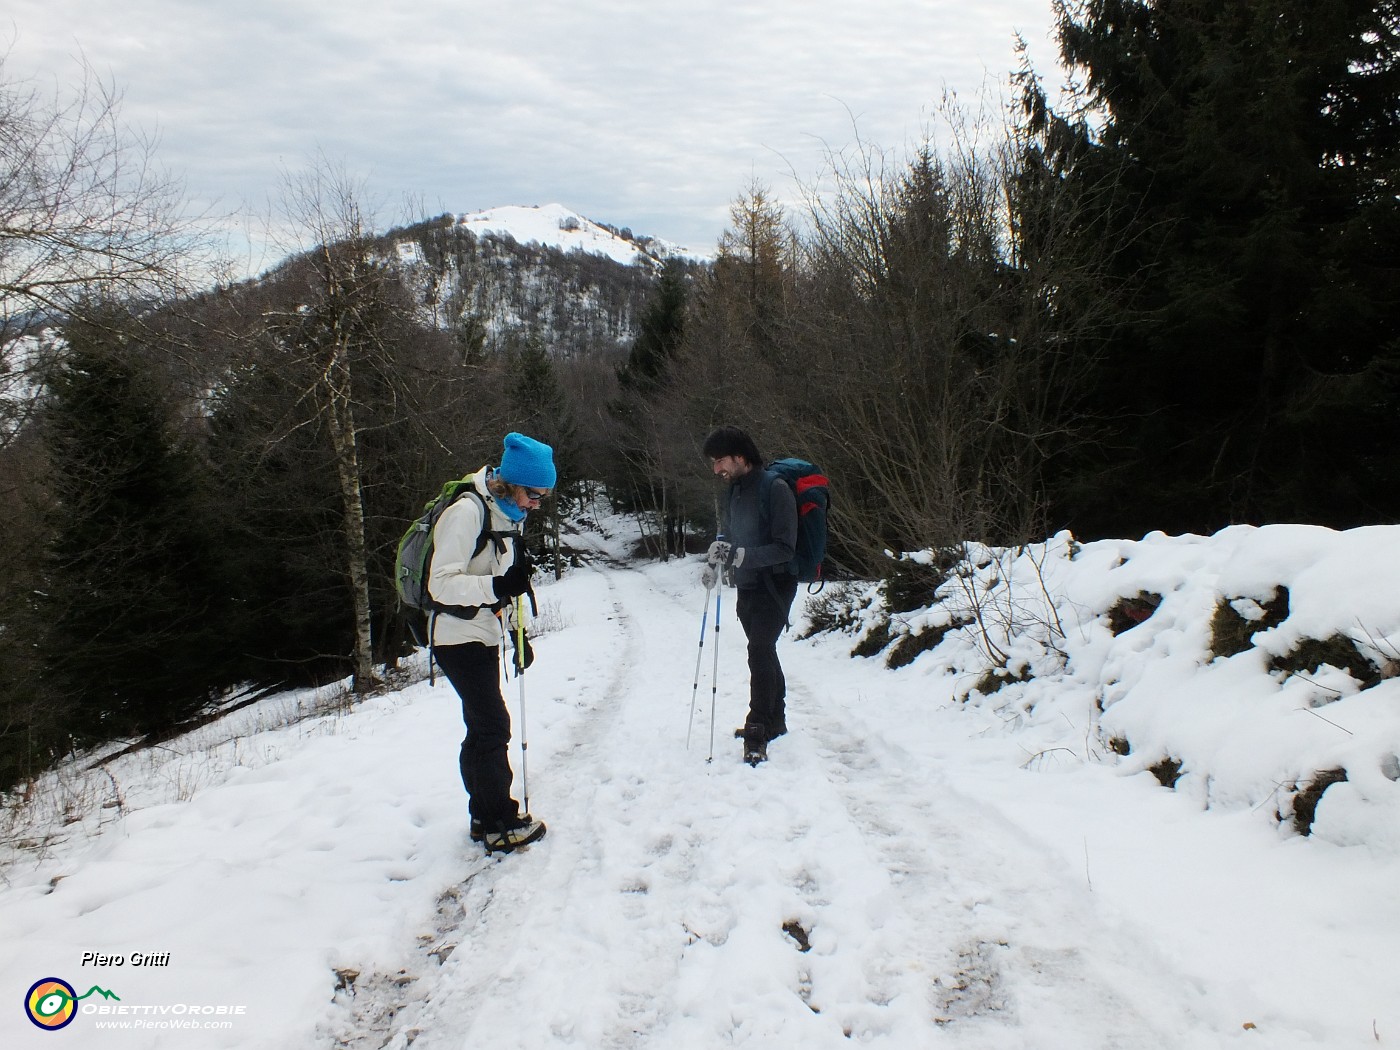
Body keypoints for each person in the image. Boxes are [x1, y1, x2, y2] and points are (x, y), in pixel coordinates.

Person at [429, 432, 555, 853]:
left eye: (542, 497)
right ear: (512, 482)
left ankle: (483, 815)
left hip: (482, 632)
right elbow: (440, 584)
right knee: (492, 726)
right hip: (454, 633)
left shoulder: (509, 514)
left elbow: (510, 586)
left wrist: (520, 636)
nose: (536, 503)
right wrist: (496, 584)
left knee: (480, 726)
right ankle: (500, 820)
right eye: (533, 494)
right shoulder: (467, 512)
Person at [701, 426, 798, 765]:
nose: (717, 470)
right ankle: (777, 720)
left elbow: (786, 548)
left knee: (759, 650)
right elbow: (729, 532)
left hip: (776, 583)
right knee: (764, 652)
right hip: (747, 584)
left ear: (741, 457)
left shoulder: (776, 488)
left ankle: (757, 727)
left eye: (720, 461)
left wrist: (741, 555)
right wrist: (716, 559)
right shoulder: (735, 490)